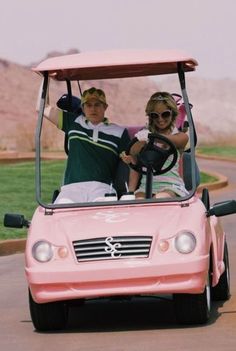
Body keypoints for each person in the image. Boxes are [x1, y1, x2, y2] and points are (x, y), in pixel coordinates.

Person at [40, 87, 130, 203]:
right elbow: (42, 108)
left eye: (97, 104)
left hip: (102, 188)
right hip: (71, 189)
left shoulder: (120, 132)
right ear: (82, 107)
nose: (93, 109)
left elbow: (131, 160)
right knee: (60, 213)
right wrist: (45, 77)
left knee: (101, 214)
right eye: (88, 105)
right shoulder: (73, 122)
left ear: (105, 107)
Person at [121, 91, 189, 199]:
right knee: (137, 201)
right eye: (155, 115)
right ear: (150, 117)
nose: (160, 119)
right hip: (145, 186)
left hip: (171, 186)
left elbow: (170, 140)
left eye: (165, 114)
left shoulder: (181, 137)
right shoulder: (145, 135)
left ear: (173, 113)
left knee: (160, 198)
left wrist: (148, 137)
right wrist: (130, 155)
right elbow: (132, 153)